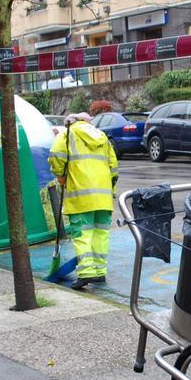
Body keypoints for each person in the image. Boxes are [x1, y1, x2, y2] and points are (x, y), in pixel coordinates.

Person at [49, 112, 118, 290]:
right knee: (100, 234)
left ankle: (87, 273)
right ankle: (99, 271)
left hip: (81, 195)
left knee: (82, 234)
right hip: (103, 196)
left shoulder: (67, 133)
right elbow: (113, 166)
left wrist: (61, 176)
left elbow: (56, 156)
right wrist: (111, 190)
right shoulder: (102, 136)